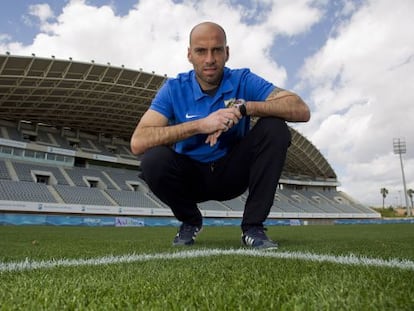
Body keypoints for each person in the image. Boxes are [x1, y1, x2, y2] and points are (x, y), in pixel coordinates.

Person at [130, 21, 310, 249]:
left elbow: (301, 109)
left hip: (232, 173)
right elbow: (138, 142)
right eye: (201, 51)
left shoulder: (242, 80)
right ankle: (190, 220)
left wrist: (245, 108)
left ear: (227, 52)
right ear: (189, 55)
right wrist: (200, 125)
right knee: (153, 160)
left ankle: (253, 227)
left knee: (274, 127)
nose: (209, 59)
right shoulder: (174, 88)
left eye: (216, 50)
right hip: (191, 177)